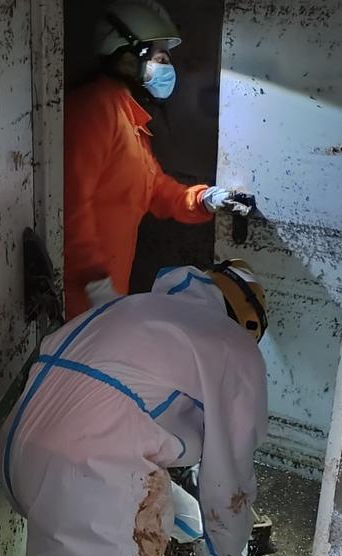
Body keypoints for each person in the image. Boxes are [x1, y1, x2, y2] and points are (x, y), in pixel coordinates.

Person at [0, 260, 269, 556]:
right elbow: (228, 482)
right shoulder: (235, 348)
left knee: (149, 515)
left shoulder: (130, 308)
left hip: (17, 456)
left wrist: (202, 536)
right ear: (249, 324)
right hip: (88, 484)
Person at [64, 0, 251, 319]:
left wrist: (204, 199)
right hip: (79, 294)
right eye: (161, 58)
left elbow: (156, 190)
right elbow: (71, 203)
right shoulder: (95, 109)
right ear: (127, 58)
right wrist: (95, 281)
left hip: (106, 291)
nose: (168, 69)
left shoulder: (129, 117)